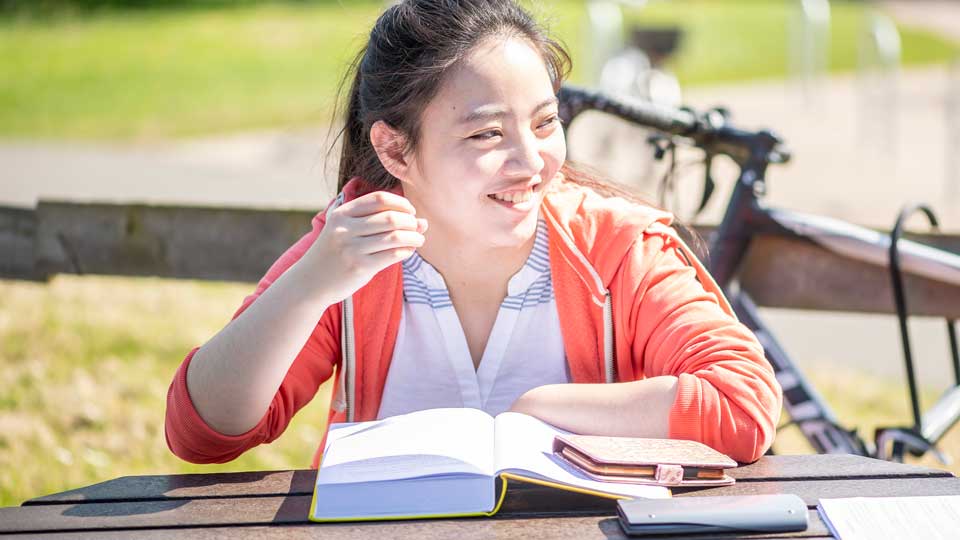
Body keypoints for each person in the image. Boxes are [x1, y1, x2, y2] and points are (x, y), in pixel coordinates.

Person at [164, 0, 782, 468]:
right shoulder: (351, 248)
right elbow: (202, 434)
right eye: (487, 134)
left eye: (545, 123)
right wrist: (308, 287)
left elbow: (743, 404)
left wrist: (536, 412)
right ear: (396, 150)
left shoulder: (617, 247)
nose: (532, 161)